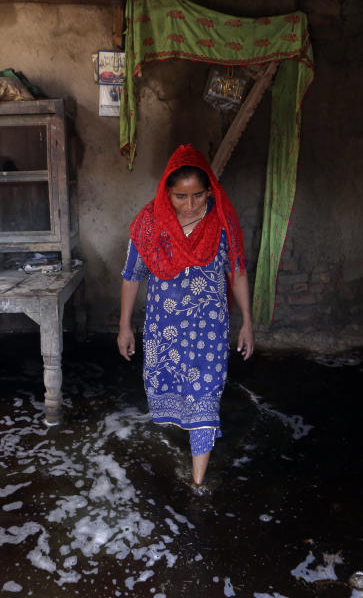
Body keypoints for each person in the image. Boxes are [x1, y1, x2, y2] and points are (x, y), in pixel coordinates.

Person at [117, 144, 254, 487]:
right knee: (176, 394)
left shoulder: (221, 221)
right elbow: (132, 275)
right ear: (167, 191)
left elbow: (236, 271)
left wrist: (248, 322)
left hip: (210, 329)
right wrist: (124, 327)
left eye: (198, 196)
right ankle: (191, 456)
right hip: (165, 331)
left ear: (210, 191)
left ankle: (197, 481)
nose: (190, 205)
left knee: (204, 398)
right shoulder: (149, 225)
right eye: (181, 196)